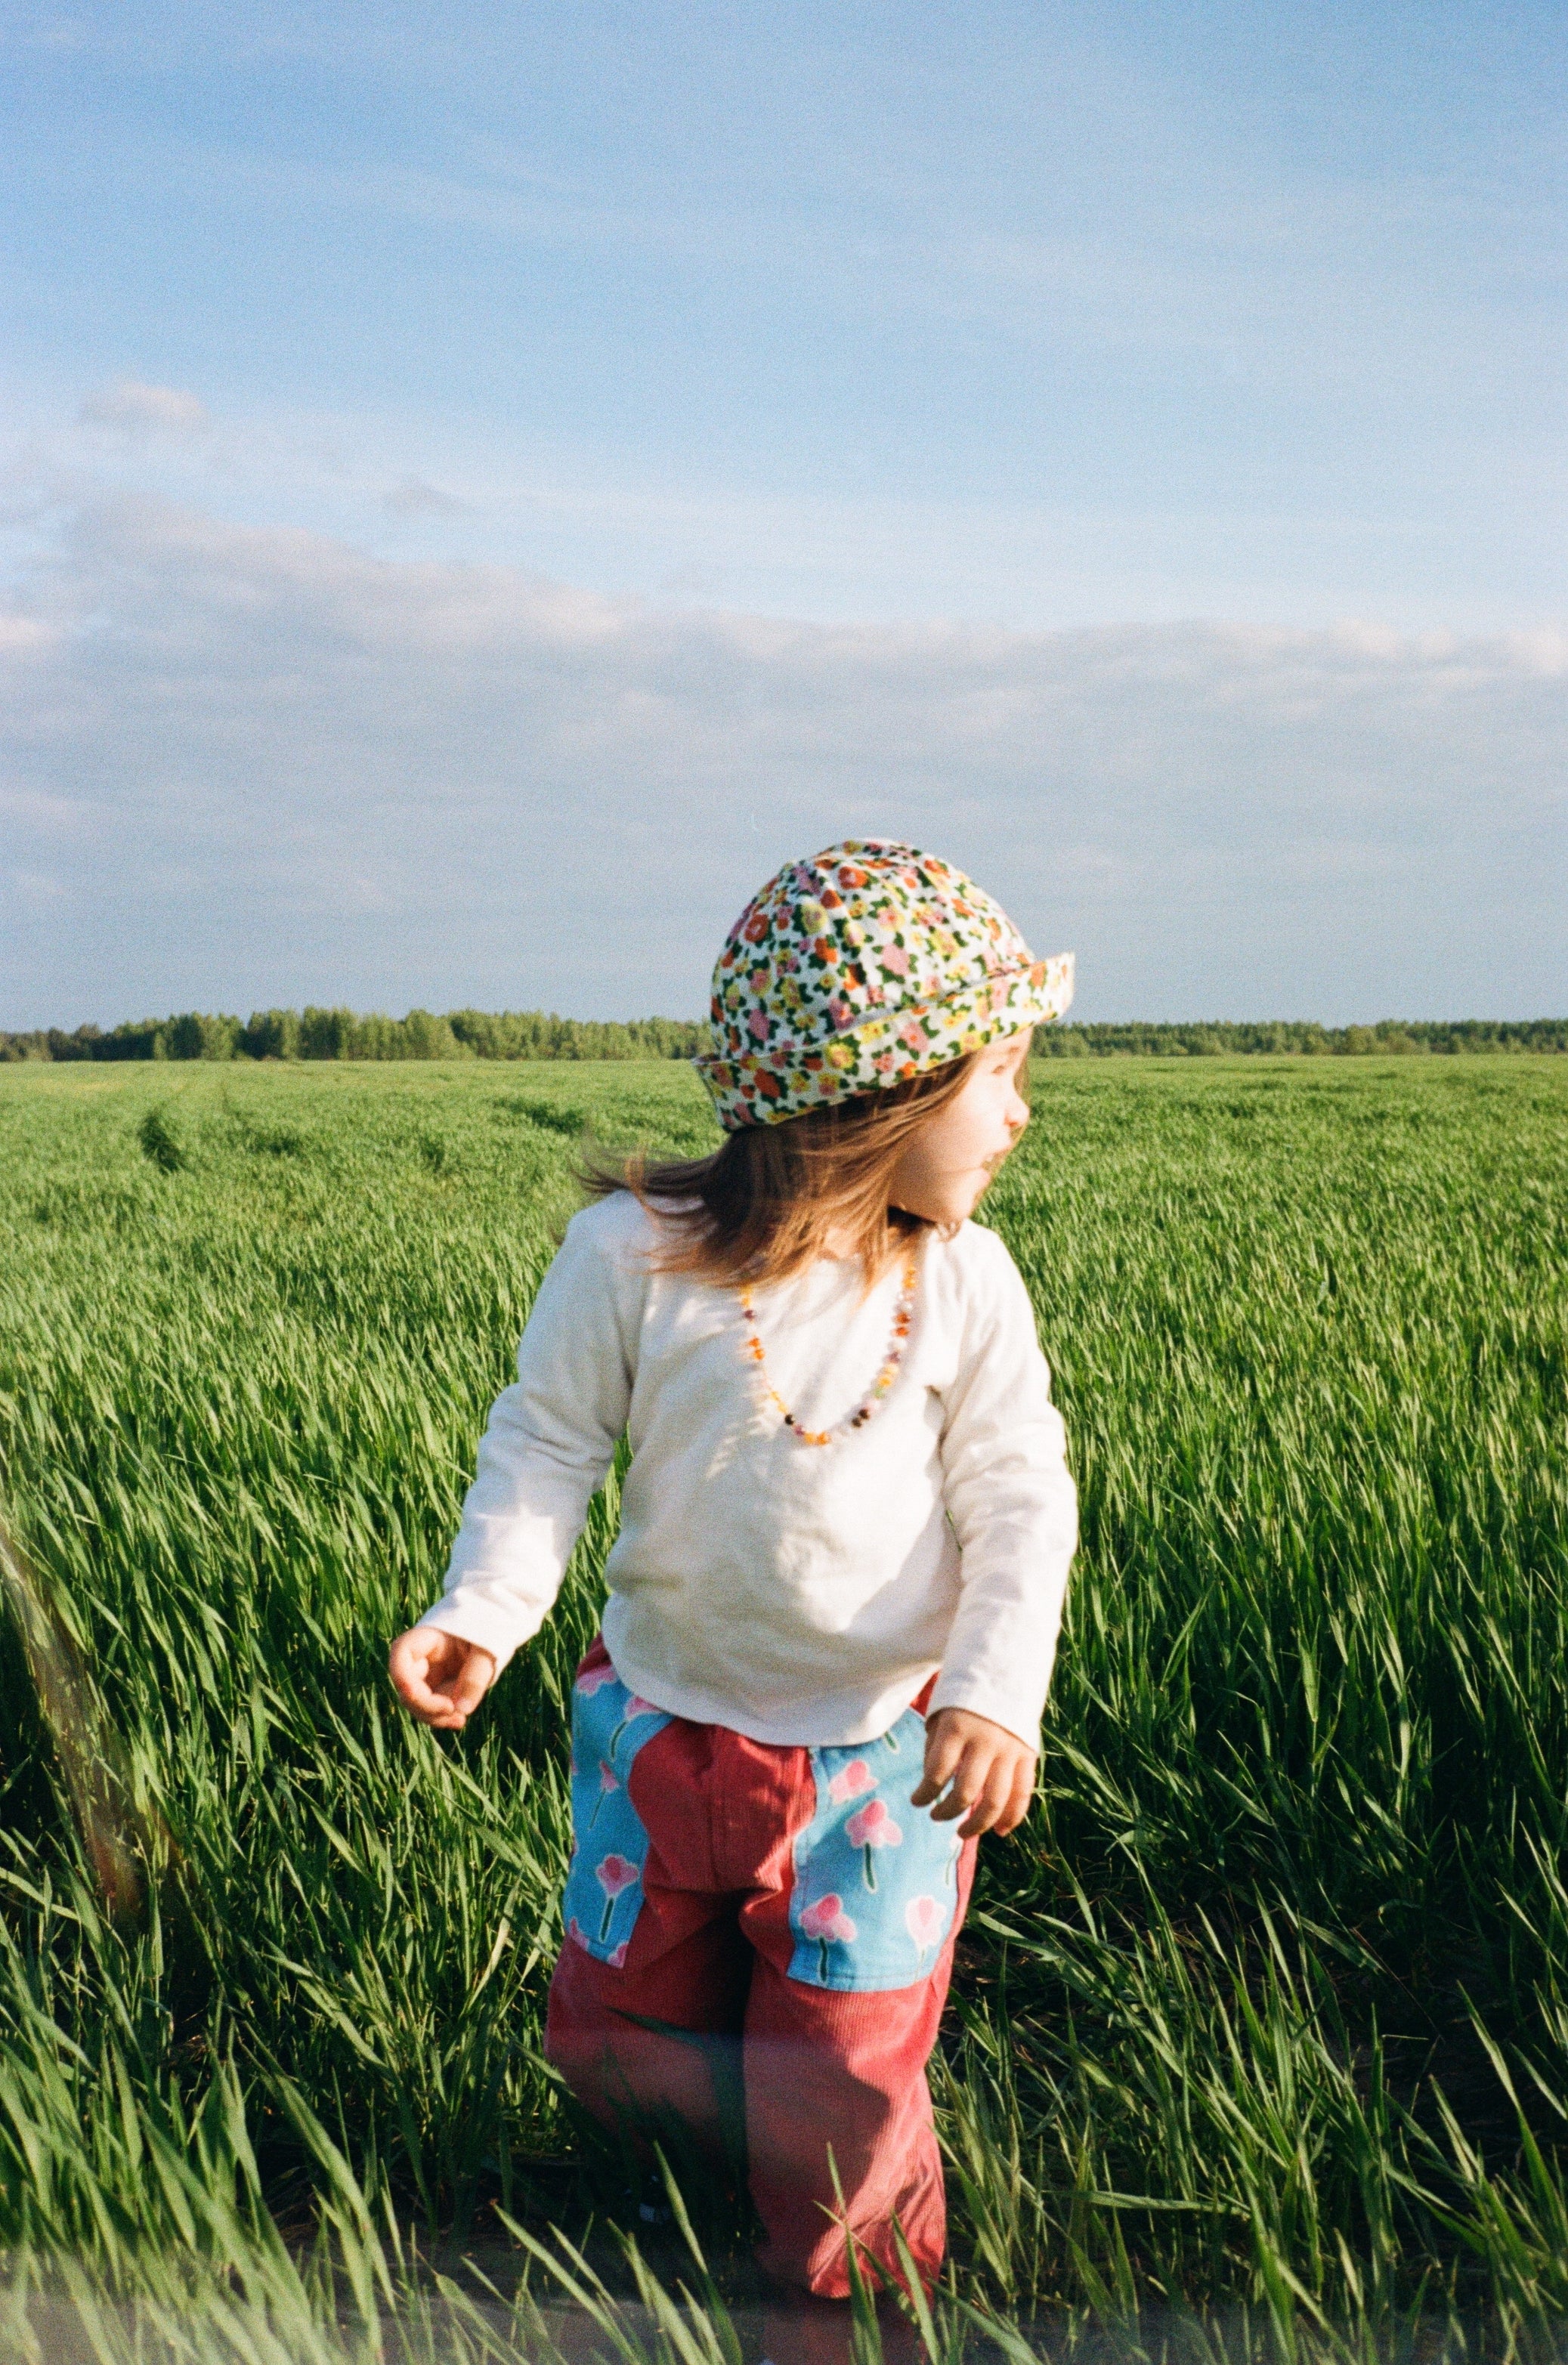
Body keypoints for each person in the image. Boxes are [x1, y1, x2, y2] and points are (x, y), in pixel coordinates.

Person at [388, 840, 1078, 2333]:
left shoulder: (964, 1282)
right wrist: (484, 1608)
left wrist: (991, 1689)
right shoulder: (631, 1260)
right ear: (875, 1092)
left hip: (881, 1761)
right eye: (1000, 1072)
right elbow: (548, 1437)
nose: (1024, 1111)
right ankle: (659, 2194)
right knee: (623, 2017)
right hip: (660, 1732)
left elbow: (1022, 1496)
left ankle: (839, 2300)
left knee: (844, 2055)